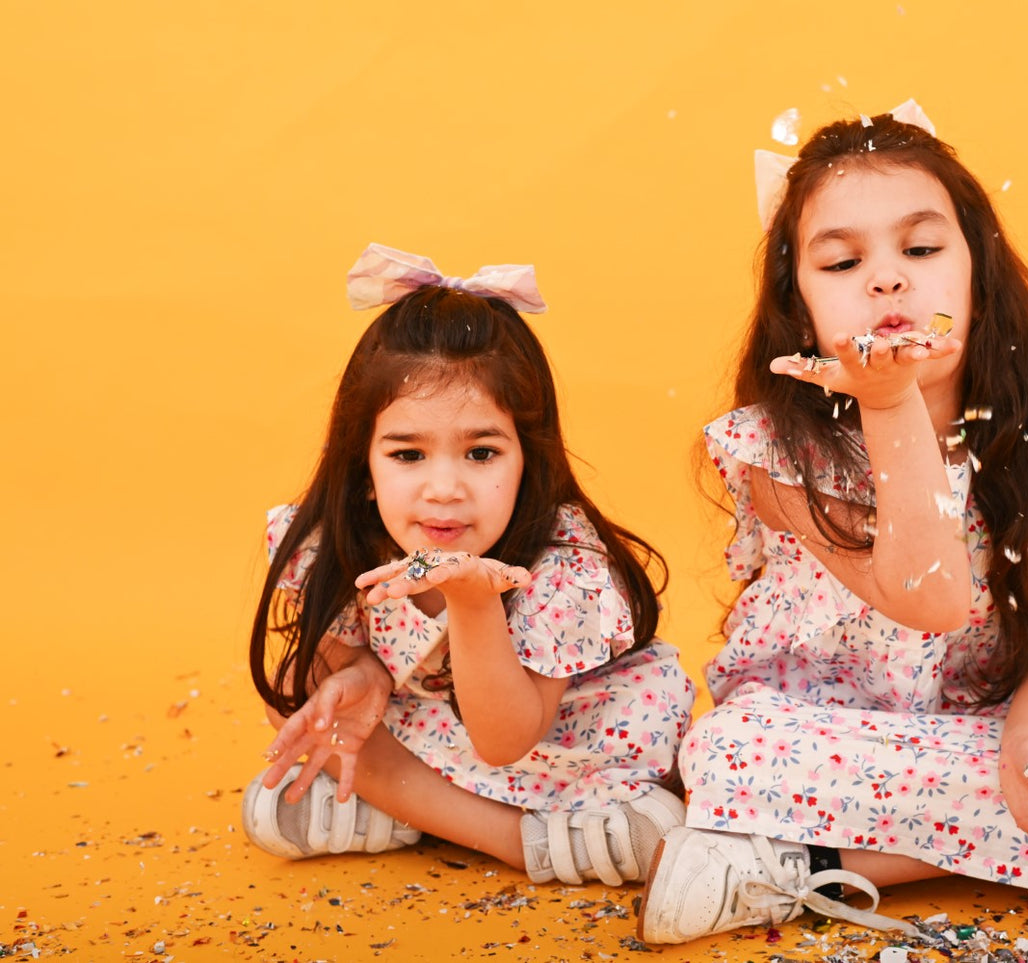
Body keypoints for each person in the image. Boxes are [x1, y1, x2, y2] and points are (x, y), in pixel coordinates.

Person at [637, 103, 1028, 944]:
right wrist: (889, 404)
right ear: (800, 307)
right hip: (818, 728)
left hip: (979, 718)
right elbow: (927, 599)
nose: (886, 280)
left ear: (980, 274)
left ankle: (787, 867)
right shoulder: (776, 450)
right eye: (842, 262)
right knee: (721, 749)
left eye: (921, 250)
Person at [243, 243, 695, 888]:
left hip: (553, 739)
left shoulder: (563, 562)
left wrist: (474, 601)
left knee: (641, 825)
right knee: (296, 696)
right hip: (427, 722)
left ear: (526, 460)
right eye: (408, 456)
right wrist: (359, 674)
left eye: (481, 454)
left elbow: (505, 740)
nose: (444, 488)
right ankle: (502, 832)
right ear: (363, 468)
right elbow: (334, 669)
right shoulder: (336, 541)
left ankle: (452, 823)